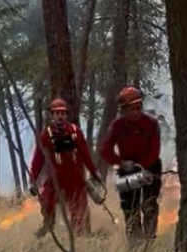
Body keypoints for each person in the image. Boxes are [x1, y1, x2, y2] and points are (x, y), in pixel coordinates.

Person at [98, 85, 162, 241]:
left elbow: (154, 150)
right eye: (131, 109)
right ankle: (134, 243)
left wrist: (144, 168)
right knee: (130, 209)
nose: (135, 112)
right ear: (124, 110)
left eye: (138, 108)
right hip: (127, 170)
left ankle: (149, 240)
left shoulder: (151, 124)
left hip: (150, 168)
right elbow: (105, 149)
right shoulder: (117, 126)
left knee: (149, 206)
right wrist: (120, 162)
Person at [29, 97, 99, 236]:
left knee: (79, 213)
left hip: (75, 179)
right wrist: (33, 180)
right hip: (56, 179)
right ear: (52, 115)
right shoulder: (46, 135)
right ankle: (48, 225)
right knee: (46, 201)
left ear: (66, 115)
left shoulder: (75, 132)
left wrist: (94, 173)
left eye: (62, 113)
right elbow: (38, 159)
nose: (60, 116)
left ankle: (83, 238)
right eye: (57, 113)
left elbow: (85, 154)